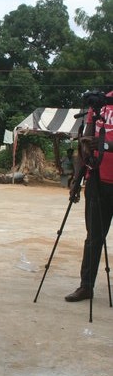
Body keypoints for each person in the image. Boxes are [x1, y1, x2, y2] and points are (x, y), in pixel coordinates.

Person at [65, 91, 113, 302]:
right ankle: (86, 286)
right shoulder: (100, 101)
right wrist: (77, 178)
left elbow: (100, 143)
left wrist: (104, 145)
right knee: (93, 238)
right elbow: (85, 144)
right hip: (97, 181)